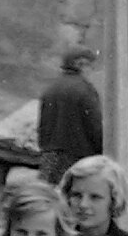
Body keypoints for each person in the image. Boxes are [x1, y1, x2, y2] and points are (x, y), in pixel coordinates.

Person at [37, 46, 102, 185]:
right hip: (76, 158)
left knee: (48, 194)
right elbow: (95, 127)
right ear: (80, 64)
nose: (92, 70)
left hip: (49, 158)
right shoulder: (85, 90)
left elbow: (42, 127)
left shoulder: (50, 89)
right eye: (90, 66)